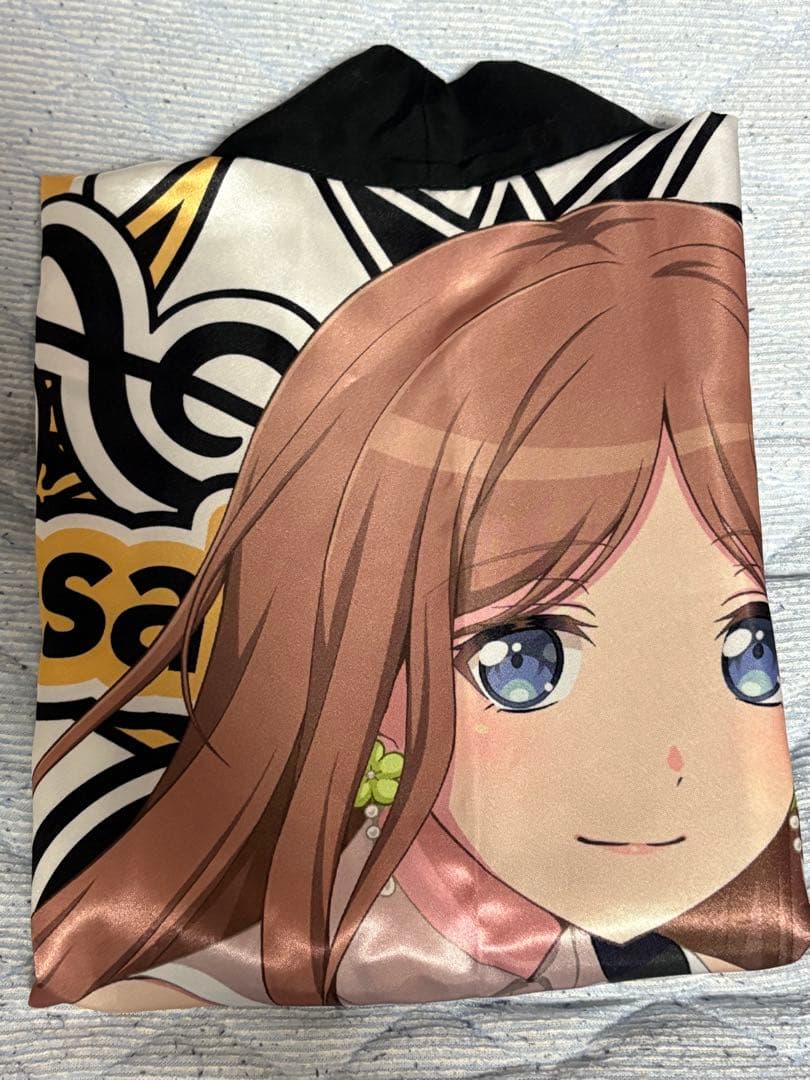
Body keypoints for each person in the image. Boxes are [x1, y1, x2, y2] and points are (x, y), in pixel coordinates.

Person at [30, 198, 810, 1010]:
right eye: (523, 663)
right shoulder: (225, 958)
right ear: (359, 657)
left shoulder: (727, 928)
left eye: (747, 652)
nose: (671, 758)